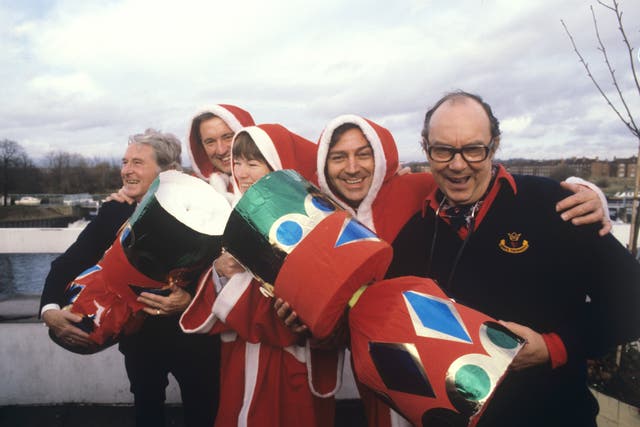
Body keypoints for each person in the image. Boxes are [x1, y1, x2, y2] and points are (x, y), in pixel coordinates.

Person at [274, 113, 614, 427]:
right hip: (389, 389)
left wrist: (588, 194)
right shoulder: (319, 222)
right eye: (338, 157)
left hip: (518, 398)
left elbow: (489, 182)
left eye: (364, 154)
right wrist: (307, 319)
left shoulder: (417, 190)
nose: (352, 167)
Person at [386, 91, 640, 427]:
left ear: (495, 145)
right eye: (443, 150)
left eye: (474, 149)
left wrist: (553, 347)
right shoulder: (417, 229)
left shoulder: (557, 207)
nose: (458, 164)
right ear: (426, 149)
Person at [40, 129, 220, 427]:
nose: (126, 171)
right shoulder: (115, 211)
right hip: (139, 341)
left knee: (203, 411)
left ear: (169, 171)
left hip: (191, 337)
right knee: (147, 412)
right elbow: (67, 264)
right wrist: (49, 311)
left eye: (137, 162)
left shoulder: (201, 212)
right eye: (125, 162)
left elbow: (217, 276)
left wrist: (188, 300)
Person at [180, 123, 340, 427]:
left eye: (253, 163)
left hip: (290, 360)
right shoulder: (233, 215)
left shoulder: (312, 224)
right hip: (238, 358)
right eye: (236, 163)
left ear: (279, 167)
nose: (241, 173)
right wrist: (219, 271)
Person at [187, 104, 256, 201]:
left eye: (228, 137)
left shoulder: (277, 186)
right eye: (210, 142)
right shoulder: (190, 192)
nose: (221, 150)